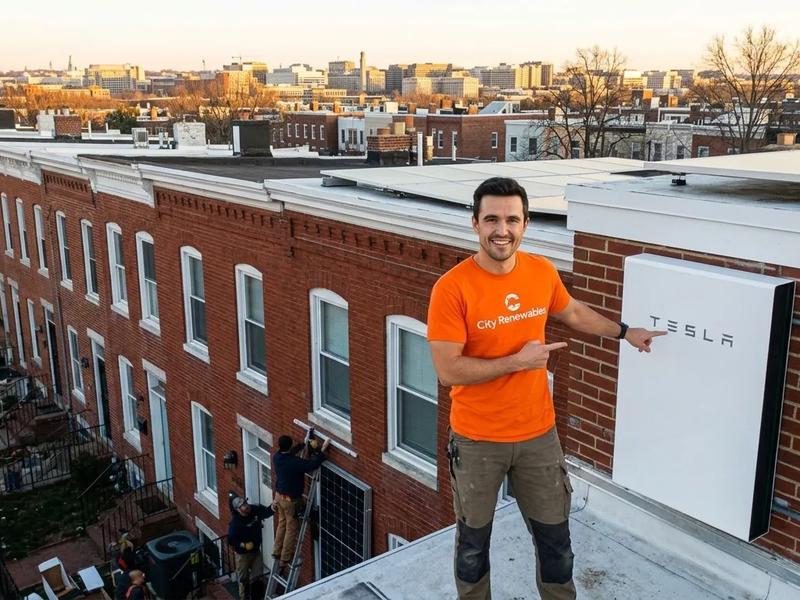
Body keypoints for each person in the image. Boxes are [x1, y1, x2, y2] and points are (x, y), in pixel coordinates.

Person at [427, 177, 666, 600]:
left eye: (512, 219)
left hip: (539, 437)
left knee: (557, 546)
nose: (502, 229)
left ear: (526, 224)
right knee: (472, 548)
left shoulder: (541, 272)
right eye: (492, 219)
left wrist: (625, 332)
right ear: (475, 224)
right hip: (478, 440)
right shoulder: (452, 288)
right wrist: (517, 362)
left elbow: (571, 310)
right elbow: (448, 370)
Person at [271, 434, 329, 570]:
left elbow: (289, 454)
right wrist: (323, 449)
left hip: (279, 497)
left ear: (280, 446)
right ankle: (284, 558)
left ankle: (276, 552)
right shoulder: (294, 463)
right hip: (290, 501)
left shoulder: (277, 457)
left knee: (282, 524)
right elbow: (312, 464)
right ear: (289, 445)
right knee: (291, 529)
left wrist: (301, 445)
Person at [228, 495, 275, 600]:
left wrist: (273, 507)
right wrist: (243, 545)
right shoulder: (235, 523)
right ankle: (243, 598)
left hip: (256, 552)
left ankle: (257, 598)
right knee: (243, 580)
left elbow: (265, 512)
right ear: (238, 510)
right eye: (243, 505)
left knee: (257, 578)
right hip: (243, 556)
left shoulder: (254, 510)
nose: (247, 506)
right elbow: (231, 539)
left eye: (246, 503)